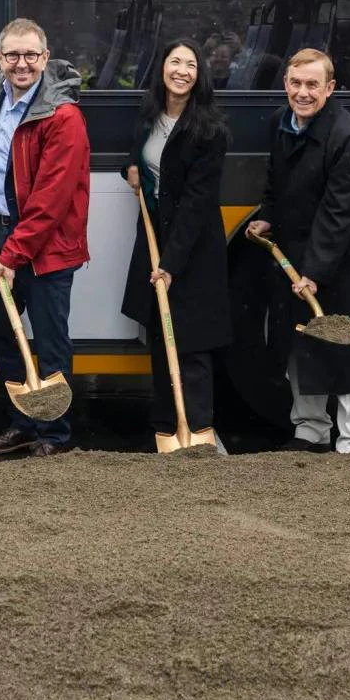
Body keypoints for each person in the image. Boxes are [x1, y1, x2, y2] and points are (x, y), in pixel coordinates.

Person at [0, 17, 90, 457]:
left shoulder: (63, 117)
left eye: (31, 55)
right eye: (13, 55)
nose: (21, 64)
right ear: (0, 58)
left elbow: (50, 200)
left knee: (50, 341)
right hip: (3, 236)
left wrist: (13, 257)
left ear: (45, 58)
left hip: (44, 247)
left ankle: (55, 435)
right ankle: (23, 421)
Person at [248, 49, 350, 452]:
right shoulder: (280, 123)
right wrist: (268, 215)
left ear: (330, 88)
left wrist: (316, 269)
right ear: (285, 84)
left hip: (347, 257)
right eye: (295, 83)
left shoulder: (347, 135)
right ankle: (310, 430)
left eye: (312, 85)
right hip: (297, 250)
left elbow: (340, 211)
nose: (302, 93)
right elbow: (275, 180)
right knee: (302, 341)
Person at [120, 39, 231, 446]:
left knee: (191, 341)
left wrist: (172, 263)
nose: (181, 70)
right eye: (174, 62)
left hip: (193, 247)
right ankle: (167, 427)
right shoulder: (149, 116)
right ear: (162, 68)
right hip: (155, 237)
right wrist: (129, 169)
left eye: (190, 64)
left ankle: (199, 427)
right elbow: (142, 160)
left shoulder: (210, 130)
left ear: (200, 75)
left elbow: (198, 204)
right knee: (159, 335)